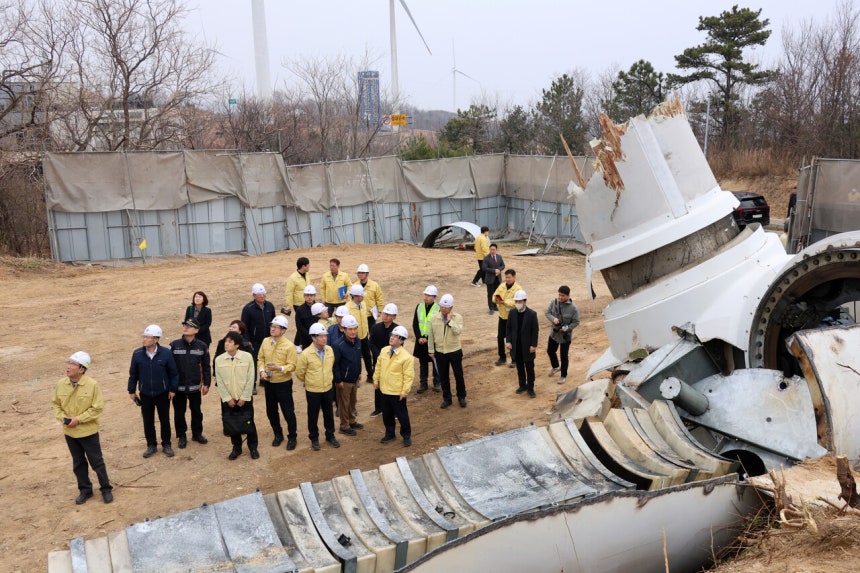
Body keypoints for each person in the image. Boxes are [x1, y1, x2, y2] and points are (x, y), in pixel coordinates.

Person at [52, 351, 113, 504]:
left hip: (88, 432)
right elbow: (56, 404)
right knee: (78, 463)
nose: (68, 366)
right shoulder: (61, 384)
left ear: (82, 369)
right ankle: (85, 490)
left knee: (97, 462)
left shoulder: (92, 385)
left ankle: (106, 489)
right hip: (70, 432)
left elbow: (97, 408)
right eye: (68, 362)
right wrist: (63, 418)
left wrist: (78, 419)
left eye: (72, 364)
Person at [128, 324, 179, 458]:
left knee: (164, 419)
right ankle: (151, 445)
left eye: (147, 337)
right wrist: (131, 391)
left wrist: (172, 389)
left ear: (156, 339)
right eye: (143, 337)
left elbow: (174, 373)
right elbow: (133, 374)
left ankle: (166, 444)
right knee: (148, 420)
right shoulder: (137, 354)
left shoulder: (166, 353)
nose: (144, 339)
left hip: (162, 393)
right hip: (145, 394)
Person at [214, 331, 259, 460]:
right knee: (231, 423)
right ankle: (236, 448)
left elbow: (251, 378)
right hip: (228, 399)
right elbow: (220, 381)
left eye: (230, 342)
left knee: (249, 422)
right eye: (226, 341)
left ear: (237, 345)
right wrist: (227, 398)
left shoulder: (247, 357)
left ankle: (253, 448)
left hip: (245, 398)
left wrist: (244, 397)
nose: (226, 344)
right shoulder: (219, 360)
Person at [295, 323, 340, 451]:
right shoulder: (306, 354)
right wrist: (310, 381)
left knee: (328, 414)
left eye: (325, 336)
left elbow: (331, 365)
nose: (324, 338)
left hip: (328, 388)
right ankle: (314, 438)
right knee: (313, 415)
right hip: (313, 390)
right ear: (314, 338)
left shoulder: (329, 350)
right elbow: (300, 373)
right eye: (321, 336)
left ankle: (330, 436)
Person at [258, 315, 299, 451]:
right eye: (272, 326)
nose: (273, 329)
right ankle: (278, 434)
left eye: (276, 327)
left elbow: (292, 365)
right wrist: (262, 371)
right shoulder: (265, 341)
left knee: (288, 411)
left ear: (283, 330)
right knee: (271, 411)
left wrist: (279, 368)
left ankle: (292, 437)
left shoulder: (289, 346)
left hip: (283, 383)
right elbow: (260, 358)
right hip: (269, 382)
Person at [169, 318, 211, 449]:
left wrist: (206, 384)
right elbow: (168, 367)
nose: (186, 327)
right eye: (185, 325)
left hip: (194, 387)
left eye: (189, 326)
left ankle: (197, 434)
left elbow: (206, 366)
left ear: (196, 330)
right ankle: (181, 436)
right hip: (178, 387)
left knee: (197, 411)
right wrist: (170, 386)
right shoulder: (174, 345)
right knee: (179, 413)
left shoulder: (202, 346)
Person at [374, 325, 414, 447]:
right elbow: (378, 366)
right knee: (387, 415)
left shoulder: (406, 357)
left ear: (401, 340)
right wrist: (376, 380)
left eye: (396, 336)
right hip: (384, 390)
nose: (392, 338)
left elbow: (408, 376)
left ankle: (406, 435)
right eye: (392, 335)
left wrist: (405, 391)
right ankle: (390, 434)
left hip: (397, 392)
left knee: (402, 415)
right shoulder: (384, 351)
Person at [427, 294, 467, 408]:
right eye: (442, 307)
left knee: (458, 376)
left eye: (446, 307)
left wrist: (450, 321)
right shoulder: (434, 318)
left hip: (454, 351)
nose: (443, 309)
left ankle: (461, 397)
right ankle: (447, 399)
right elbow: (431, 336)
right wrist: (431, 350)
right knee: (443, 377)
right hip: (440, 352)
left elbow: (457, 331)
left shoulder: (457, 317)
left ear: (451, 307)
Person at [240, 283, 276, 394]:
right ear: (254, 295)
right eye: (259, 294)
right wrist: (247, 340)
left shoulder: (270, 306)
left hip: (268, 339)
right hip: (254, 341)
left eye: (263, 293)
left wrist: (274, 336)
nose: (262, 296)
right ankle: (252, 384)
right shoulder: (248, 309)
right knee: (253, 362)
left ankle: (265, 379)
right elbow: (243, 326)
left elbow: (273, 322)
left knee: (268, 359)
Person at [332, 315, 363, 436]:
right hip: (343, 381)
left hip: (354, 378)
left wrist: (359, 372)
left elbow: (358, 359)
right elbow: (335, 365)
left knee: (352, 402)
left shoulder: (358, 341)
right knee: (344, 404)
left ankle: (351, 421)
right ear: (344, 329)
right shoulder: (338, 345)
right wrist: (338, 380)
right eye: (350, 329)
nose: (353, 332)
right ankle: (344, 426)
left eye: (355, 328)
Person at [506, 290, 539, 398]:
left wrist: (533, 345)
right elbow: (508, 328)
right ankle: (522, 385)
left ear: (525, 301)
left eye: (519, 301)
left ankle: (530, 388)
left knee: (529, 369)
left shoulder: (532, 314)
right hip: (516, 346)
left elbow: (535, 331)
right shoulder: (512, 313)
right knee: (519, 368)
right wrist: (508, 341)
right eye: (516, 301)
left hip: (528, 347)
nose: (517, 303)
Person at [545, 285, 580, 385]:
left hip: (565, 336)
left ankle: (563, 375)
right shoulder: (554, 302)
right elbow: (547, 313)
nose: (560, 297)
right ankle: (556, 367)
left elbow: (576, 322)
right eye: (559, 295)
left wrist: (566, 328)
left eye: (563, 295)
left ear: (568, 295)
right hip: (554, 333)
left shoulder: (573, 308)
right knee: (550, 351)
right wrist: (553, 319)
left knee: (563, 356)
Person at [369, 303, 398, 418]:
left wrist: (386, 357)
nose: (385, 316)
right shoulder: (375, 328)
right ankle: (378, 408)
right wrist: (380, 356)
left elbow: (398, 346)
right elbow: (371, 343)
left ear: (394, 317)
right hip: (378, 361)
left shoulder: (397, 330)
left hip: (392, 362)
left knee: (392, 386)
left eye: (388, 314)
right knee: (378, 385)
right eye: (385, 313)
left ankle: (394, 410)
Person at [412, 285, 441, 395]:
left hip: (433, 341)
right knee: (423, 363)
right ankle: (423, 383)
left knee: (435, 362)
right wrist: (419, 337)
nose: (426, 297)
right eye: (425, 295)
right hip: (421, 341)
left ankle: (437, 383)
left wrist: (427, 339)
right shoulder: (419, 307)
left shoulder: (438, 309)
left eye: (428, 295)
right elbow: (415, 324)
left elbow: (438, 327)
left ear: (434, 297)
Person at [493, 269, 523, 368]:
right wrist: (497, 300)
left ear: (514, 277)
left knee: (513, 338)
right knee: (500, 337)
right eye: (506, 277)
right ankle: (502, 357)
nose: (507, 279)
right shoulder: (501, 286)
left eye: (509, 277)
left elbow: (518, 303)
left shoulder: (518, 289)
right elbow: (494, 296)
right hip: (502, 316)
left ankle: (514, 359)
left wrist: (504, 302)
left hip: (513, 318)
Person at [346, 284, 374, 381]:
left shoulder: (363, 304)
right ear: (356, 296)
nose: (363, 297)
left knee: (367, 356)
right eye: (362, 295)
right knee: (355, 358)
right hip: (353, 337)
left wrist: (367, 331)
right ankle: (356, 378)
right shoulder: (347, 308)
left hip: (364, 335)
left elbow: (365, 319)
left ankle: (370, 375)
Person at [355, 263, 385, 330]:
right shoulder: (355, 286)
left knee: (372, 332)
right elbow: (351, 299)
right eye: (359, 273)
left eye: (362, 273)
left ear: (367, 274)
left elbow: (379, 298)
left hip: (370, 314)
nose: (360, 274)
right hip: (359, 314)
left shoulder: (374, 285)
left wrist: (379, 311)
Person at [482, 243, 505, 314]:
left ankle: (495, 306)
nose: (492, 251)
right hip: (490, 279)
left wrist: (499, 270)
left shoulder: (499, 257)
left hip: (497, 278)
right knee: (490, 294)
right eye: (491, 249)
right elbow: (484, 268)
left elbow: (503, 265)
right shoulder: (486, 258)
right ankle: (491, 308)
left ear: (496, 249)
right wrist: (494, 270)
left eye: (494, 249)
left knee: (497, 293)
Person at [294, 285, 318, 350]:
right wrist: (310, 336)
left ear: (315, 295)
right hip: (304, 340)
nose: (309, 297)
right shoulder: (300, 310)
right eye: (307, 295)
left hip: (317, 338)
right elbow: (299, 326)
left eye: (311, 295)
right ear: (304, 296)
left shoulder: (319, 308)